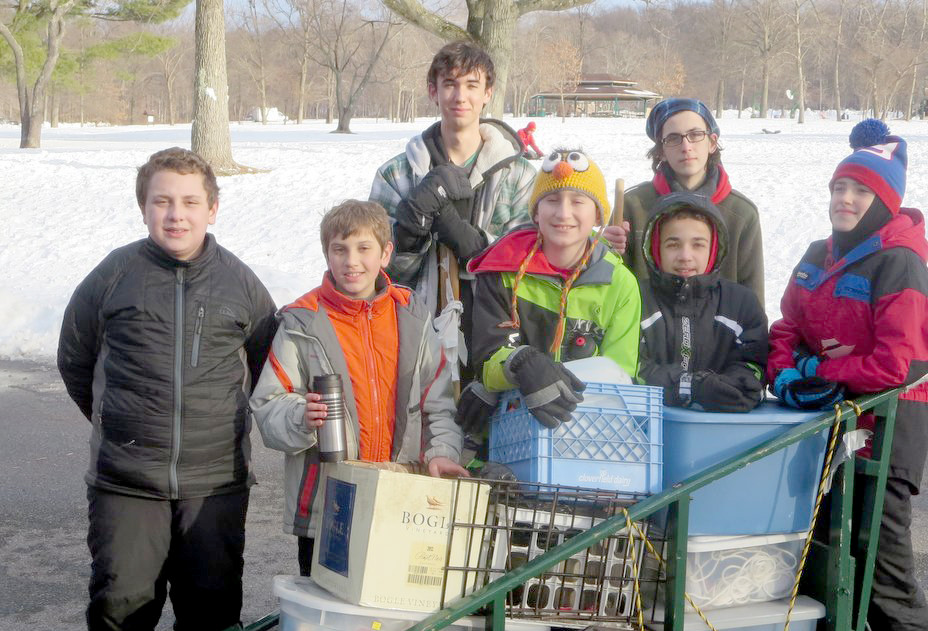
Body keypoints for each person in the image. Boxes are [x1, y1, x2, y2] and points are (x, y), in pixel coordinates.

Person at [56, 147, 278, 631]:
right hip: (126, 484)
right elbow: (75, 360)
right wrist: (121, 426)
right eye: (162, 202)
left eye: (188, 202)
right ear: (144, 208)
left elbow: (262, 365)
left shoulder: (241, 285)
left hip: (215, 486)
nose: (175, 215)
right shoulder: (114, 275)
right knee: (120, 620)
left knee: (211, 625)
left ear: (212, 208)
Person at [766, 120, 928, 631]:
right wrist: (791, 368)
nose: (844, 201)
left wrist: (823, 371)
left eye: (860, 193)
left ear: (883, 203)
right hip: (833, 420)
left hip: (890, 425)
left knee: (876, 550)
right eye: (838, 189)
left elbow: (897, 364)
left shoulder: (899, 265)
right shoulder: (814, 258)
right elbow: (786, 330)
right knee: (826, 545)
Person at [250, 199, 468, 577]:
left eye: (364, 248)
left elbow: (438, 401)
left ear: (385, 253)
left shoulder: (413, 316)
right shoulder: (302, 321)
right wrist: (301, 416)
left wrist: (442, 451)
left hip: (401, 495)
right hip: (329, 504)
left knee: (391, 606)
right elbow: (268, 403)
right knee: (330, 614)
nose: (351, 260)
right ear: (327, 254)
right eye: (340, 249)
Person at [369, 41, 536, 382]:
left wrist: (470, 242)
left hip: (496, 333)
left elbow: (528, 263)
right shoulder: (397, 175)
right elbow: (376, 271)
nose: (461, 96)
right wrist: (410, 231)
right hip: (416, 335)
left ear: (488, 92)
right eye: (450, 84)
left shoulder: (519, 176)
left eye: (472, 85)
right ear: (434, 91)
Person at [457, 149, 641, 435]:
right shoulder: (503, 269)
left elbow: (618, 376)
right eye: (552, 200)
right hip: (513, 425)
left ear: (597, 215)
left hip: (589, 430)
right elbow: (487, 360)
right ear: (536, 212)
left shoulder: (619, 284)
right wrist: (519, 362)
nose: (563, 213)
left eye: (578, 201)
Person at [612, 98, 764, 306]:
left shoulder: (742, 214)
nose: (686, 146)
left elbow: (753, 301)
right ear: (660, 150)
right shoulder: (632, 206)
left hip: (719, 337)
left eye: (695, 135)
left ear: (712, 142)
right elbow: (611, 290)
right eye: (673, 138)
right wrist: (605, 252)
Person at [637, 191, 768, 411]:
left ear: (714, 249)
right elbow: (630, 366)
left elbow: (754, 364)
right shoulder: (636, 298)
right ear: (655, 248)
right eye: (672, 244)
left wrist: (721, 387)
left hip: (718, 429)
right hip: (645, 425)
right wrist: (687, 386)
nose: (685, 256)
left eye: (698, 245)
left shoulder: (740, 302)